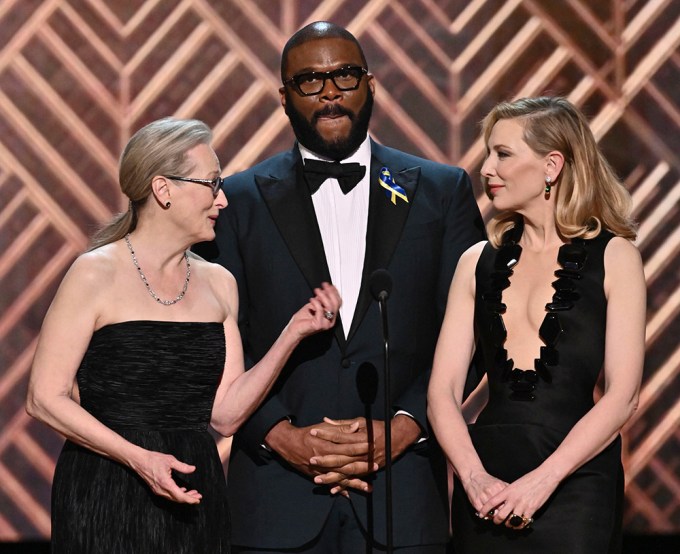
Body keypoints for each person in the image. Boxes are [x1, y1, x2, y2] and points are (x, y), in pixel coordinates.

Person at [199, 21, 485, 554]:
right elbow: (215, 338)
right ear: (284, 97)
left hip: (401, 497)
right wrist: (281, 436)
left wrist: (401, 429)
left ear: (371, 84)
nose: (330, 93)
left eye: (345, 76)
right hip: (273, 500)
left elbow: (473, 333)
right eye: (310, 81)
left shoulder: (443, 192)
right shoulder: (235, 202)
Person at [25, 117, 341, 554]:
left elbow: (226, 416)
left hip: (194, 487)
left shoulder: (219, 282)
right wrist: (138, 459)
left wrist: (293, 333)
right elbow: (44, 398)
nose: (223, 200)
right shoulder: (94, 272)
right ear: (163, 189)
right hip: (106, 488)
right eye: (213, 184)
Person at [427, 96, 646, 553]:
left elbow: (623, 396)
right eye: (488, 153)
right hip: (486, 484)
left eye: (503, 154)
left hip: (575, 482)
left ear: (552, 165)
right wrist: (472, 477)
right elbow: (442, 393)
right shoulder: (476, 262)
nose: (487, 168)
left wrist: (542, 481)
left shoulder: (615, 256)